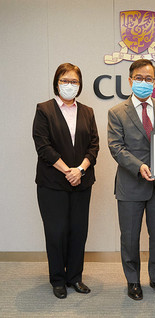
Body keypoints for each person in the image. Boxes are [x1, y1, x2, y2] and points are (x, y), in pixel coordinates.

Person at [107, 59, 155, 301]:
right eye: (139, 78)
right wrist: (140, 166)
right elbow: (116, 147)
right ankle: (133, 281)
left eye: (148, 79)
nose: (143, 82)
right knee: (130, 236)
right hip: (130, 185)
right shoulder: (116, 112)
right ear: (130, 80)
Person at [32, 63, 99, 299]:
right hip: (52, 183)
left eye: (74, 81)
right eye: (65, 80)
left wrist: (79, 170)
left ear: (80, 85)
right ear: (56, 82)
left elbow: (94, 146)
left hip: (82, 181)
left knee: (78, 231)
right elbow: (43, 147)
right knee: (56, 231)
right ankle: (58, 279)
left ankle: (75, 278)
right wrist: (67, 171)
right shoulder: (44, 110)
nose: (69, 85)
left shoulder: (88, 111)